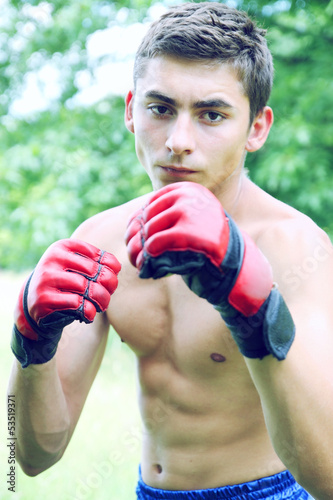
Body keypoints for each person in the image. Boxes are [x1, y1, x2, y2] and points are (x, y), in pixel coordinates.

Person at [8, 3, 333, 499]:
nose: (179, 141)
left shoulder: (294, 247)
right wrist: (30, 346)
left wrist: (255, 311)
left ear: (257, 129)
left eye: (211, 114)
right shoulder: (99, 242)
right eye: (160, 109)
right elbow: (28, 457)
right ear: (130, 111)